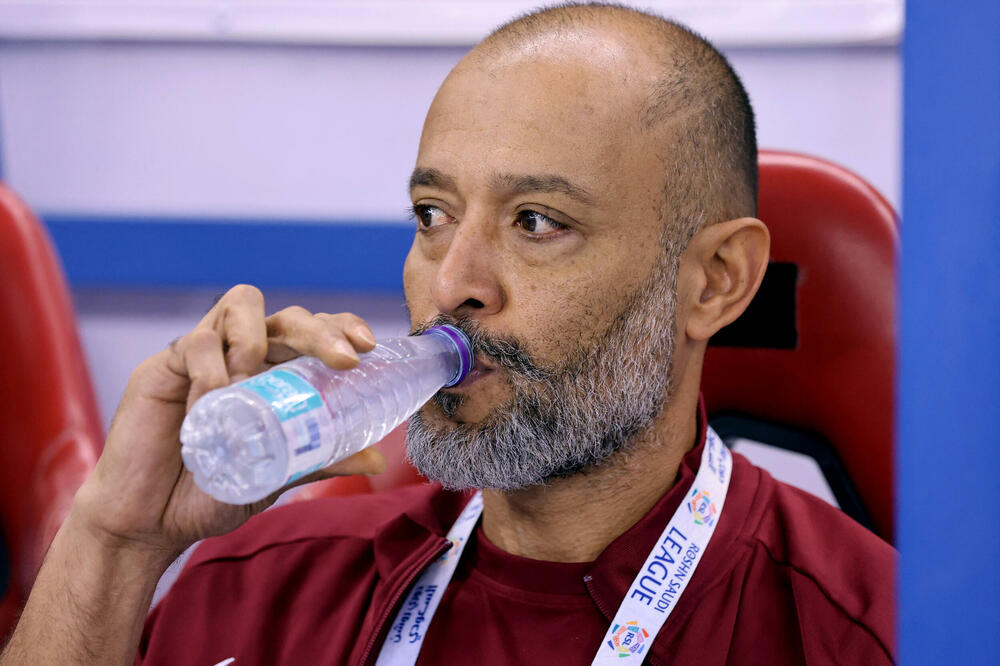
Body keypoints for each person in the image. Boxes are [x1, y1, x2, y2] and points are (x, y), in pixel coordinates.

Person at [0, 3, 895, 664]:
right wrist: (117, 539)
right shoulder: (262, 588)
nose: (450, 285)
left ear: (716, 280)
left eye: (536, 222)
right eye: (432, 214)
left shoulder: (868, 634)